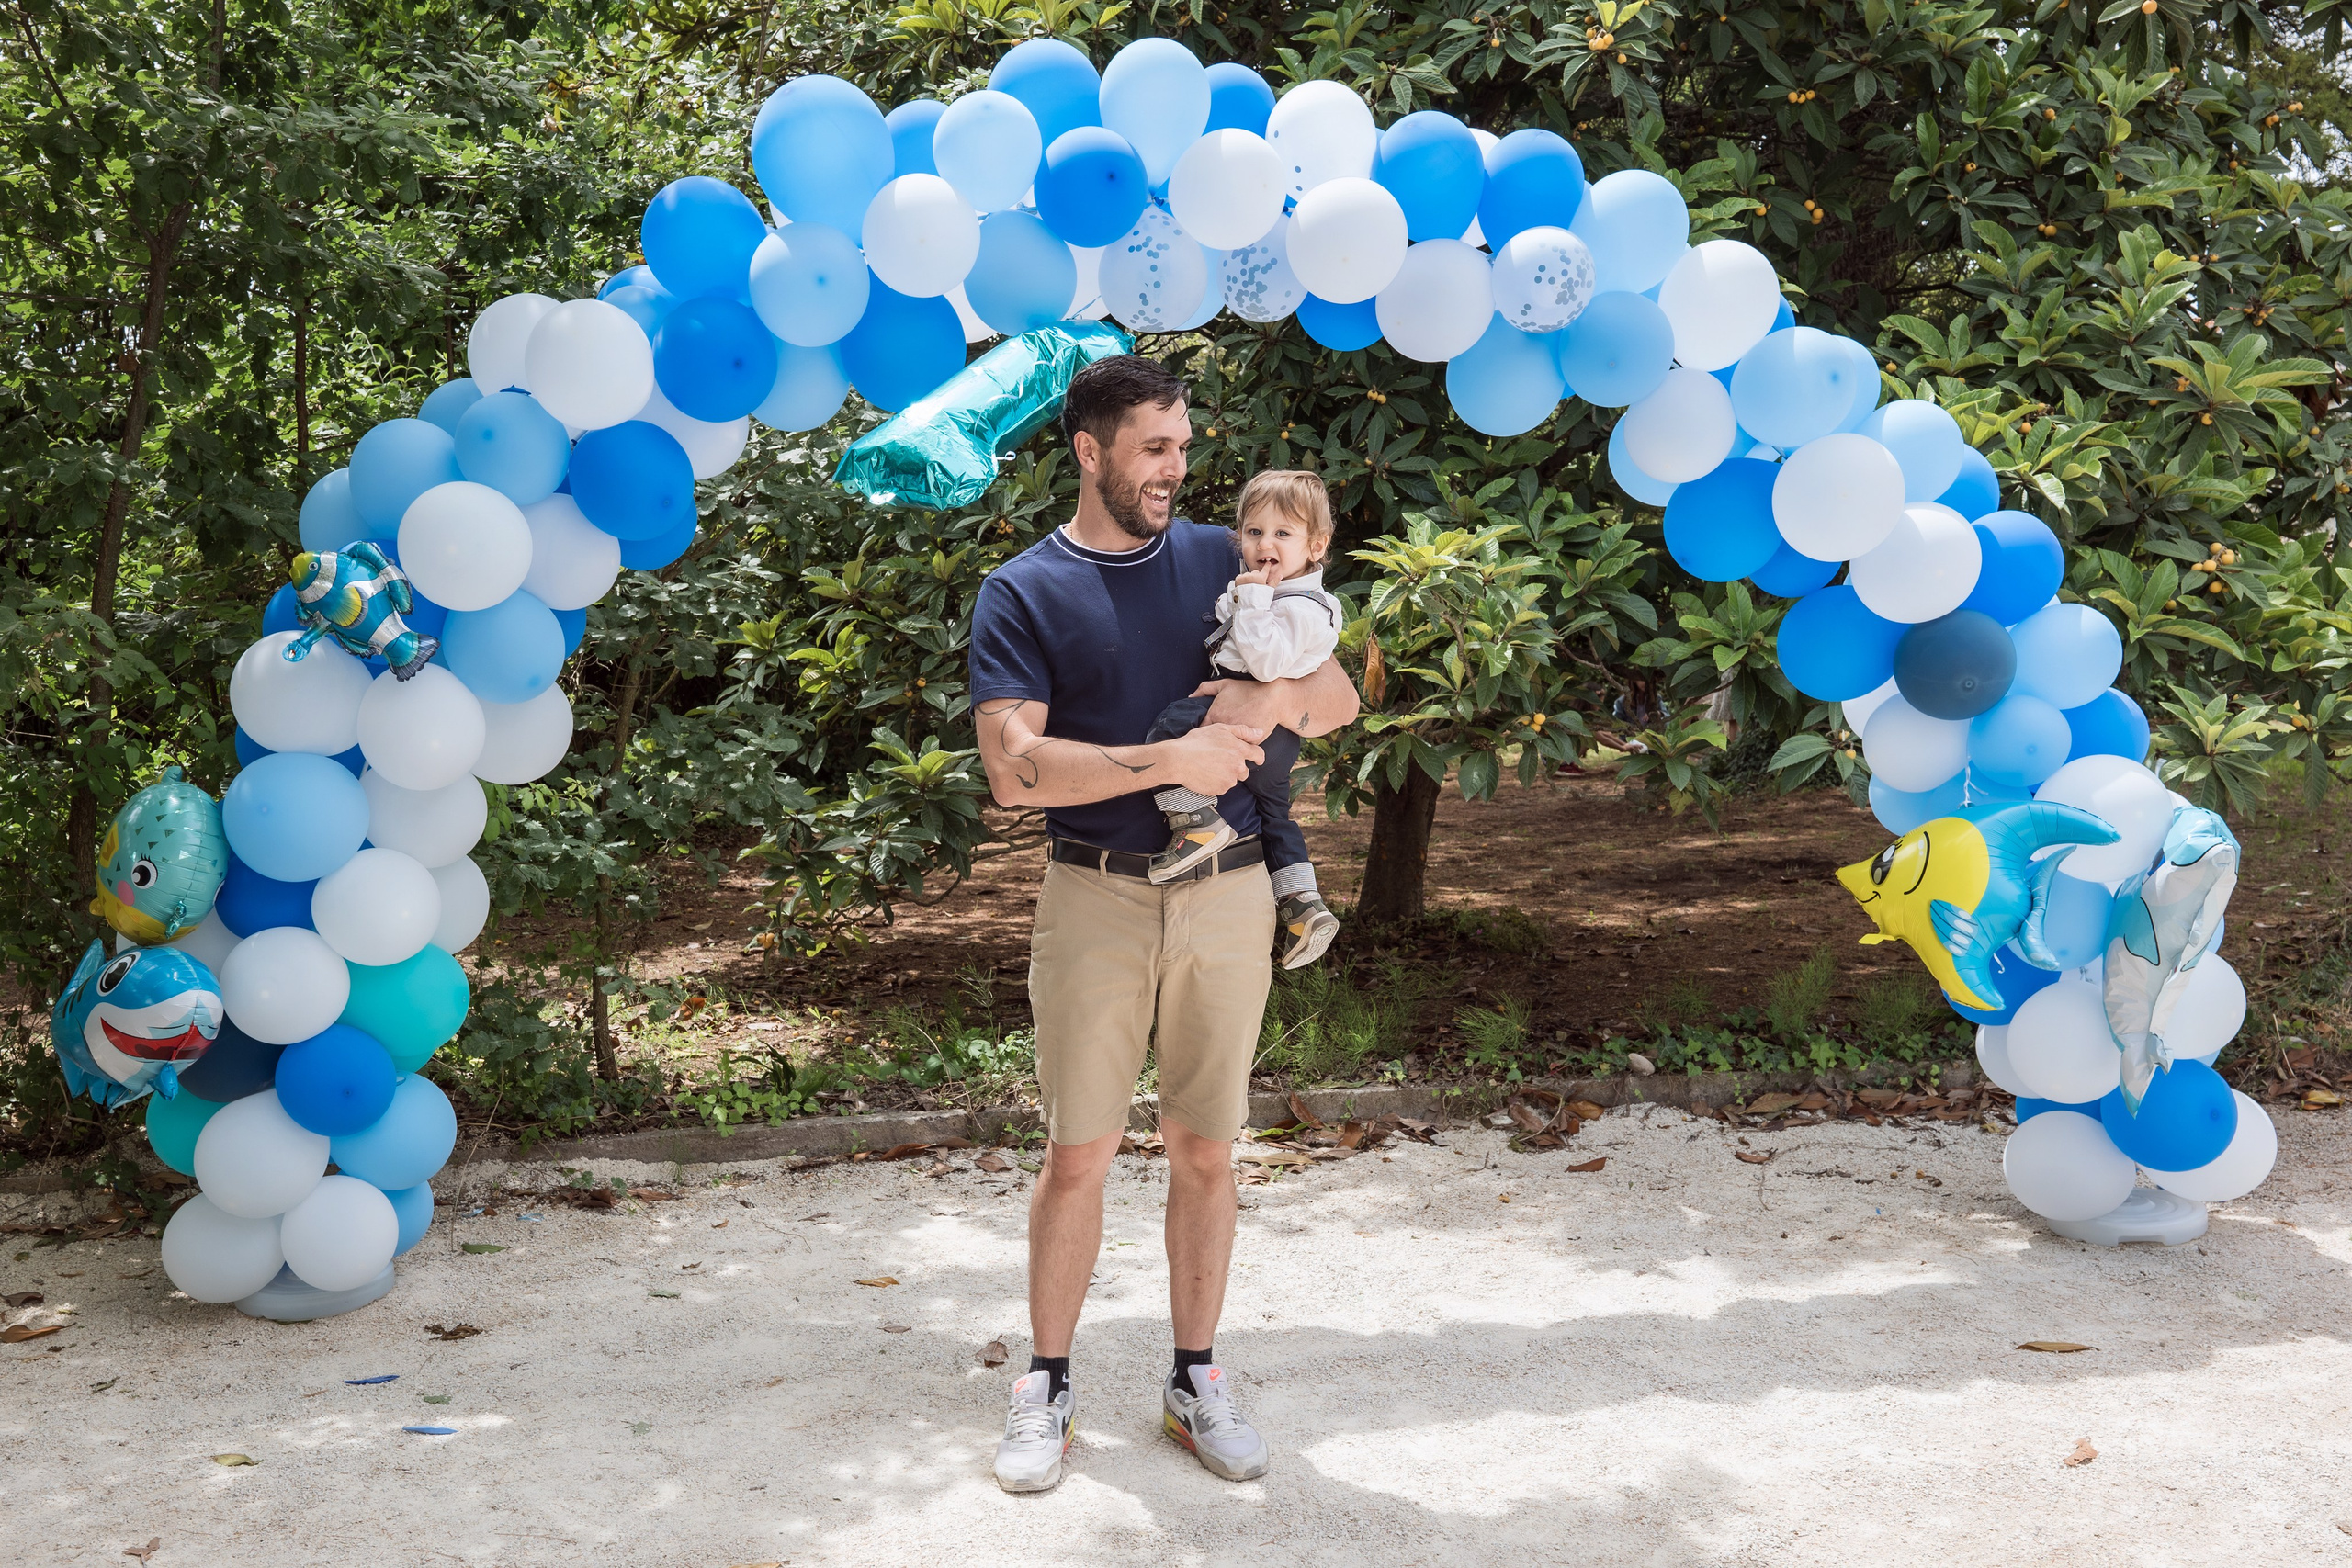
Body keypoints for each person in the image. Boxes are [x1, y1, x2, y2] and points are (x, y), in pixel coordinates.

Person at [967, 355, 1361, 1493]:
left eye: (1182, 447)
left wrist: (1267, 698)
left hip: (1229, 891)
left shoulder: (1223, 559)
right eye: (1153, 447)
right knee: (1078, 1153)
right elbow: (1013, 773)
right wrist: (1167, 759)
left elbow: (1337, 700)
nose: (1175, 470)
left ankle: (1195, 1378)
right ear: (1088, 450)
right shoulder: (1023, 590)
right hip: (1093, 893)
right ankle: (1045, 1384)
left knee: (1205, 1147)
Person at [1144, 469, 1344, 970]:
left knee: (1169, 733)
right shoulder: (1274, 591)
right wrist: (1240, 595)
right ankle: (1303, 906)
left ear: (1316, 547)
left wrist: (1251, 599)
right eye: (1254, 531)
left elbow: (1265, 663)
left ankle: (1196, 821)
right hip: (1276, 742)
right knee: (1276, 816)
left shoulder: (1307, 606)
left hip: (1252, 722)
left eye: (1282, 533)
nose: (1264, 544)